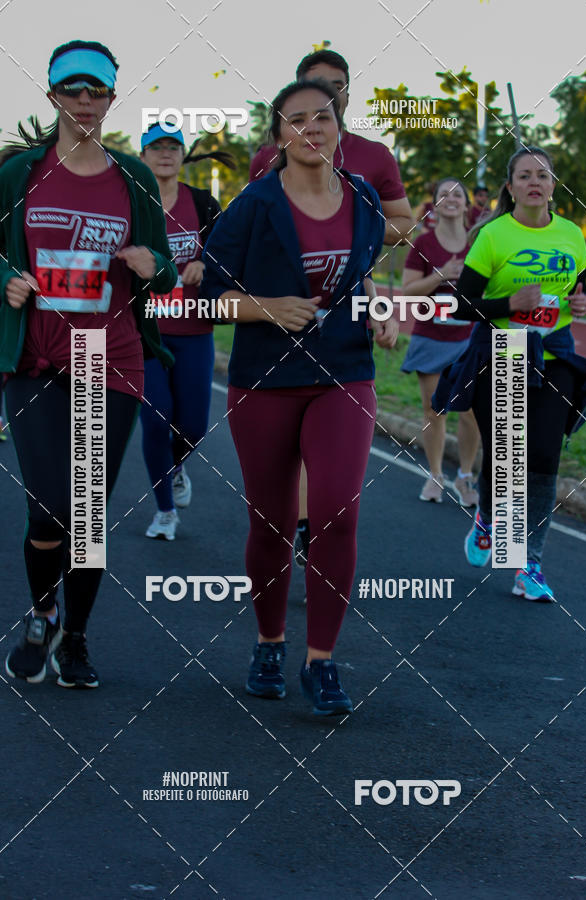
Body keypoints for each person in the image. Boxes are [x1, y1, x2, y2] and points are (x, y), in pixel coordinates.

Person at [202, 79, 396, 715]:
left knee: (337, 511)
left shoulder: (364, 197)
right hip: (265, 379)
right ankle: (268, 642)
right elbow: (198, 298)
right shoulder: (252, 206)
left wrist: (383, 307)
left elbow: (361, 274)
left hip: (345, 371)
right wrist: (261, 308)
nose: (312, 129)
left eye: (324, 117)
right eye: (297, 120)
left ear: (340, 127)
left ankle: (322, 661)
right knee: (272, 521)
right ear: (278, 135)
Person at [1, 40, 177, 686]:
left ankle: (74, 639)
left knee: (86, 517)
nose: (83, 100)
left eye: (94, 91)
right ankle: (42, 610)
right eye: (71, 89)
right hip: (37, 358)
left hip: (109, 356)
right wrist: (7, 279)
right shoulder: (21, 174)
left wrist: (149, 265)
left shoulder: (131, 176)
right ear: (51, 95)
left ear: (109, 99)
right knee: (48, 508)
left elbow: (165, 267)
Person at [250, 48, 414, 569]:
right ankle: (300, 525)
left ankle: (320, 522)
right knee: (290, 434)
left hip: (347, 306)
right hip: (284, 311)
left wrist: (348, 227)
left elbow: (404, 224)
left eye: (336, 85)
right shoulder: (267, 156)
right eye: (315, 84)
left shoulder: (374, 156)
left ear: (347, 93)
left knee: (333, 427)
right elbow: (254, 230)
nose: (327, 92)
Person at [432, 147, 586, 601]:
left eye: (542, 175)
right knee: (507, 457)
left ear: (552, 185)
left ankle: (528, 565)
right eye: (524, 175)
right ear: (511, 187)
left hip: (556, 352)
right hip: (502, 348)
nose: (534, 182)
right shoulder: (493, 235)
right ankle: (488, 514)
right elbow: (462, 305)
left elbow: (579, 290)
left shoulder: (570, 234)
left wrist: (580, 303)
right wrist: (510, 306)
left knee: (543, 457)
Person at [139, 123, 233, 540]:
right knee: (157, 422)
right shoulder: (132, 205)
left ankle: (176, 467)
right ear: (142, 156)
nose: (165, 154)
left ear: (182, 155)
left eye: (172, 147)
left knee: (192, 426)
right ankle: (164, 511)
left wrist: (206, 264)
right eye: (156, 147)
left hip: (194, 329)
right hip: (146, 334)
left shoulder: (202, 203)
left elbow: (230, 252)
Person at [401, 177, 480, 505]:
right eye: (444, 194)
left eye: (458, 194)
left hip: (469, 336)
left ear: (466, 203)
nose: (451, 199)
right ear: (435, 204)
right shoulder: (424, 244)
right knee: (434, 410)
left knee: (472, 412)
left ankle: (465, 477)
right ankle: (435, 475)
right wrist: (441, 274)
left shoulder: (479, 241)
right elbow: (407, 290)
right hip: (432, 336)